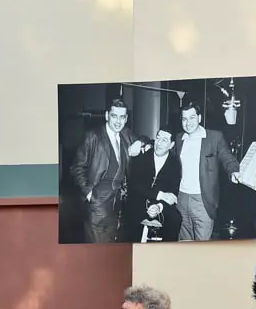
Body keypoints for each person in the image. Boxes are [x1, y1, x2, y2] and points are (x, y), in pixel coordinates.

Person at [69, 97, 147, 243]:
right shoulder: (93, 136)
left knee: (112, 244)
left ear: (126, 119)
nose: (118, 121)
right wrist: (89, 194)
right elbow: (76, 167)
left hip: (118, 204)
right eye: (114, 116)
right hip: (97, 202)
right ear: (107, 116)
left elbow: (148, 140)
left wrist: (140, 142)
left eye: (122, 117)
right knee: (96, 248)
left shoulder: (126, 134)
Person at [176, 101, 241, 242]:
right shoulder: (179, 138)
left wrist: (233, 170)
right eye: (184, 119)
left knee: (202, 244)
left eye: (192, 117)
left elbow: (226, 156)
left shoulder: (214, 137)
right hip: (181, 198)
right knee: (183, 241)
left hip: (203, 199)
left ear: (199, 118)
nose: (188, 123)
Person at [121, 127, 182, 243]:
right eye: (158, 138)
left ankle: (166, 252)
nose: (159, 143)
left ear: (171, 145)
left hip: (160, 205)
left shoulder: (175, 163)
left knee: (175, 219)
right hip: (139, 202)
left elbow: (173, 192)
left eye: (164, 140)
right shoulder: (142, 157)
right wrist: (160, 195)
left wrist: (159, 207)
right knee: (130, 220)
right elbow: (135, 185)